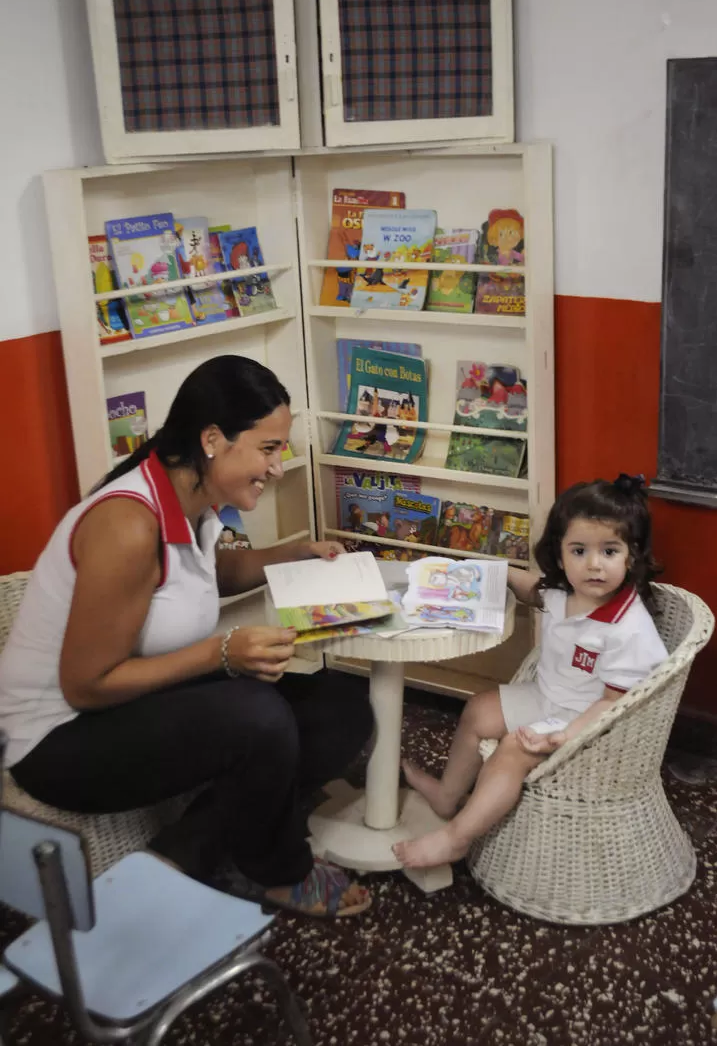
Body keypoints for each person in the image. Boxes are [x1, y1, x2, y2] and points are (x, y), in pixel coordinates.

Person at [0, 355, 374, 917]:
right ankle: (276, 871)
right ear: (213, 439)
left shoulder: (190, 495)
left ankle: (184, 853)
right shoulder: (128, 524)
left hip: (134, 702)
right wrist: (221, 653)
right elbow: (85, 686)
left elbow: (206, 573)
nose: (278, 467)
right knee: (260, 716)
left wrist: (291, 556)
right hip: (61, 739)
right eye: (268, 448)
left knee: (342, 704)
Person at [393, 475, 668, 869]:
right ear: (559, 556)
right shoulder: (564, 592)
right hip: (547, 697)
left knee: (513, 749)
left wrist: (562, 735)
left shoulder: (628, 628)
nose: (593, 564)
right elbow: (529, 589)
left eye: (609, 551)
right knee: (479, 710)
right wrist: (485, 571)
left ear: (631, 556)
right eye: (579, 550)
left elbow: (613, 704)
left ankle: (457, 838)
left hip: (587, 722)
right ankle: (446, 797)